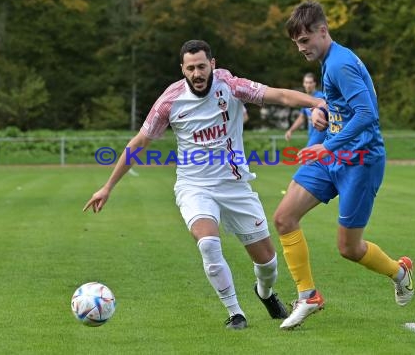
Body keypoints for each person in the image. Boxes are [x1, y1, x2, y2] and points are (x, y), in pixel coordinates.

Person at [83, 39, 324, 330]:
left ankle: (265, 293)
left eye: (201, 66)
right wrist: (108, 186)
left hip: (235, 186)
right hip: (194, 186)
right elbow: (139, 143)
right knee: (208, 243)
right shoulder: (169, 102)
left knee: (268, 264)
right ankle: (235, 313)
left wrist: (317, 102)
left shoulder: (232, 86)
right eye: (190, 68)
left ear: (213, 64)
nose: (196, 73)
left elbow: (280, 96)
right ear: (182, 70)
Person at [273, 1, 414, 330]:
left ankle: (400, 271)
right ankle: (308, 296)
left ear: (323, 31)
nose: (301, 48)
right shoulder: (328, 63)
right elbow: (341, 112)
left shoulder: (340, 64)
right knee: (284, 218)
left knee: (348, 248)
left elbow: (367, 115)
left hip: (360, 162)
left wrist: (328, 145)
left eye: (305, 40)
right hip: (331, 157)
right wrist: (322, 119)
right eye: (297, 43)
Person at [284, 72, 326, 146]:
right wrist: (290, 131)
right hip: (311, 135)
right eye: (306, 82)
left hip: (321, 135)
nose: (308, 85)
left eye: (310, 82)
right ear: (303, 84)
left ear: (315, 83)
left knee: (306, 156)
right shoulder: (304, 98)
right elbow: (302, 117)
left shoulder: (321, 97)